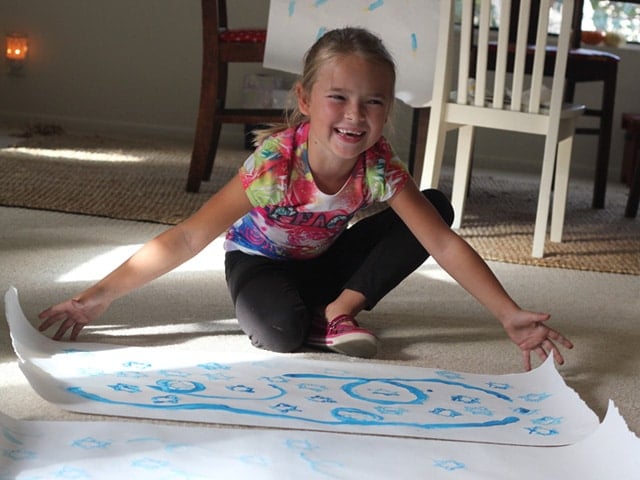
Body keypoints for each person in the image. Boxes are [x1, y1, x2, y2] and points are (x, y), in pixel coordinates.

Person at [38, 27, 572, 371]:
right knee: (281, 334)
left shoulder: (379, 164)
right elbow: (186, 237)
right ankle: (315, 320)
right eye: (338, 97)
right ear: (305, 100)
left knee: (435, 207)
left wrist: (507, 313)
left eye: (373, 102)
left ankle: (338, 311)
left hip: (323, 263)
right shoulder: (274, 166)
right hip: (259, 264)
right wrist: (98, 296)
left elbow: (443, 244)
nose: (354, 116)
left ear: (388, 110)